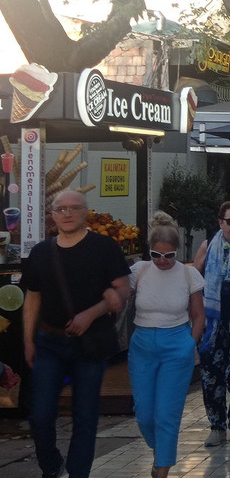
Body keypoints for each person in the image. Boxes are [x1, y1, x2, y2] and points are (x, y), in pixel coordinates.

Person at [23, 190, 131, 478]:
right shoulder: (41, 252)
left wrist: (91, 313)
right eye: (61, 209)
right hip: (49, 342)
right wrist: (27, 341)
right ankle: (51, 464)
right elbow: (32, 298)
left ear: (85, 212)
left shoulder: (103, 247)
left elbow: (122, 289)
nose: (67, 213)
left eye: (74, 208)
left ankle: (78, 473)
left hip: (89, 345)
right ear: (53, 215)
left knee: (85, 415)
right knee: (40, 415)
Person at [128, 212, 206, 478]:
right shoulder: (139, 271)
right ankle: (158, 449)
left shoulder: (188, 274)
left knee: (166, 414)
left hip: (177, 343)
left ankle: (162, 468)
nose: (162, 261)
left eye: (169, 256)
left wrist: (189, 345)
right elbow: (118, 292)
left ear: (177, 252)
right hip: (143, 344)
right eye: (156, 255)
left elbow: (198, 316)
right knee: (144, 414)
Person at [194, 200, 230, 447]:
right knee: (211, 376)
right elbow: (194, 281)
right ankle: (216, 426)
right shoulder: (208, 246)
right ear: (221, 223)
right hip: (213, 323)